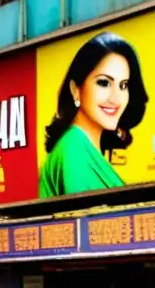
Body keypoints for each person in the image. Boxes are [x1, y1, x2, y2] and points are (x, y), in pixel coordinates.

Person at [39, 32, 148, 198]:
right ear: (75, 89)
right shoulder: (74, 151)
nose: (116, 98)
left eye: (123, 85)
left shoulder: (84, 149)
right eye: (104, 83)